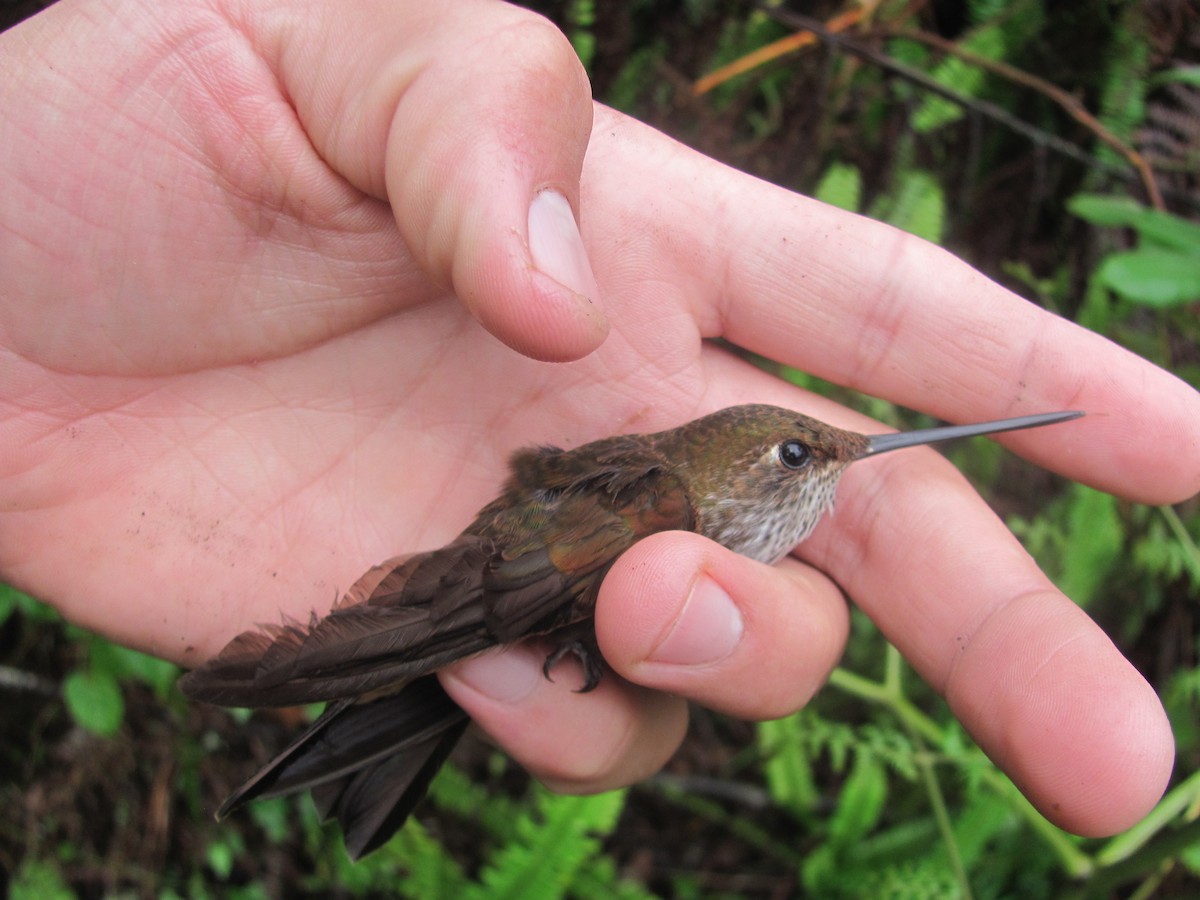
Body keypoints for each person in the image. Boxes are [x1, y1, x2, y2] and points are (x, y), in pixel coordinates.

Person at [2, 0, 1196, 843]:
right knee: (474, 651)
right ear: (742, 469)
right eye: (803, 454)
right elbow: (495, 582)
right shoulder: (655, 503)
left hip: (504, 609)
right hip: (489, 596)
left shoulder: (676, 505)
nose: (834, 461)